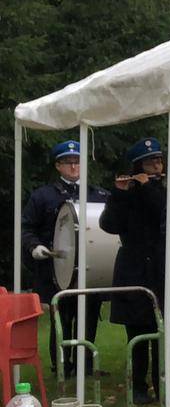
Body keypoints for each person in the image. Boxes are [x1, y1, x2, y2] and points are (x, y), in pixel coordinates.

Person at [99, 138, 170, 404]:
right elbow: (109, 224)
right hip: (134, 268)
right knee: (138, 332)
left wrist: (150, 187)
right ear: (138, 165)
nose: (156, 165)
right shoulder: (126, 194)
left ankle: (161, 382)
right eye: (151, 161)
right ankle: (139, 387)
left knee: (163, 332)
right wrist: (120, 193)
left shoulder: (167, 189)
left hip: (164, 267)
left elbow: (166, 213)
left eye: (159, 160)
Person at [21, 139, 110, 377]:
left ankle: (86, 364)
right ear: (58, 166)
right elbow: (26, 228)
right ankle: (62, 365)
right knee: (62, 319)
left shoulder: (99, 195)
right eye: (67, 162)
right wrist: (35, 246)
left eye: (77, 162)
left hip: (90, 268)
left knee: (89, 316)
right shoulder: (43, 196)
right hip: (56, 269)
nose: (73, 167)